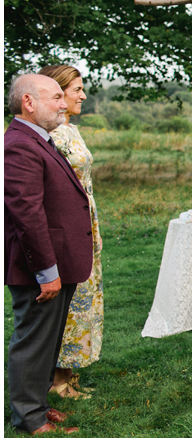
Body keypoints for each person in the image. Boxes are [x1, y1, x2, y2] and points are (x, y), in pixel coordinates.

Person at [5, 74, 94, 435]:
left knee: (48, 340)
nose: (63, 104)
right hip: (40, 265)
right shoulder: (18, 144)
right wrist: (46, 270)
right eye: (55, 97)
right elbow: (27, 212)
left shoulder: (40, 139)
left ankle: (38, 405)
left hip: (60, 260)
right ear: (28, 102)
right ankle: (29, 419)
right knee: (34, 340)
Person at [39, 65, 102, 400]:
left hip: (85, 223)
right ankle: (57, 378)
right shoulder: (50, 135)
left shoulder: (71, 130)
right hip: (66, 227)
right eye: (77, 89)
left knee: (82, 299)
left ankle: (68, 371)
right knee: (69, 301)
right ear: (59, 93)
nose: (83, 95)